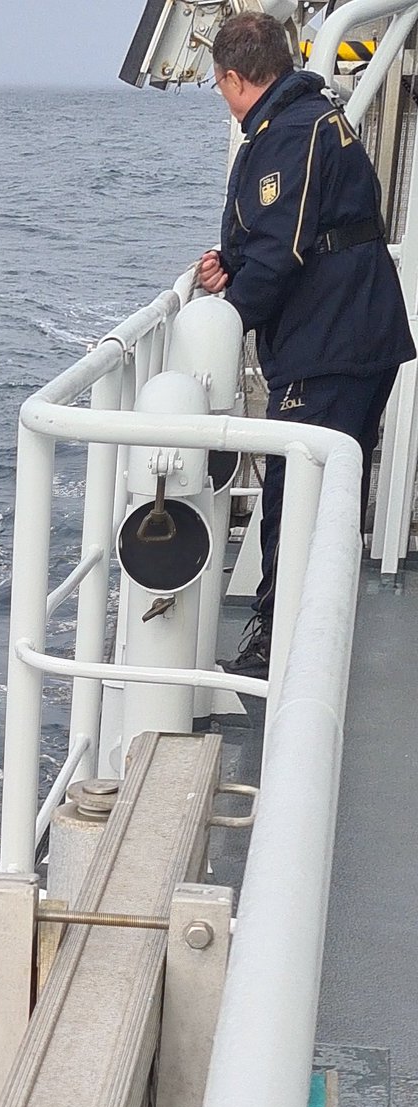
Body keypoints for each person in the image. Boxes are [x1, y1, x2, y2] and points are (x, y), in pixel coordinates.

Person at [198, 11, 414, 677]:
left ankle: (280, 647)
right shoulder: (310, 116)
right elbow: (298, 230)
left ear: (234, 78)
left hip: (329, 344)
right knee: (330, 495)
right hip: (355, 332)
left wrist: (225, 321)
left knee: (296, 496)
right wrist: (232, 262)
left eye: (220, 83)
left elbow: (283, 250)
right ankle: (310, 634)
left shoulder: (289, 133)